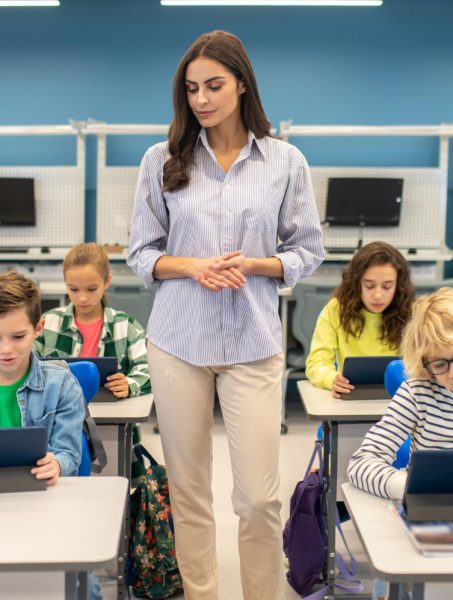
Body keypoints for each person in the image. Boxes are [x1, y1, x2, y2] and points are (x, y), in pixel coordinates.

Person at [127, 30, 324, 600]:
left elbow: (306, 249)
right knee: (189, 494)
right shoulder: (161, 159)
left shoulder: (285, 160)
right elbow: (142, 253)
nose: (202, 99)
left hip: (253, 341)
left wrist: (258, 264)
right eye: (191, 89)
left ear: (242, 84)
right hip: (177, 342)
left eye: (214, 85)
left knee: (258, 498)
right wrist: (191, 267)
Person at [0, 271, 103, 599]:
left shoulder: (61, 385)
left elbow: (69, 454)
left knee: (84, 587)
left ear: (38, 328)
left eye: (18, 337)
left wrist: (56, 464)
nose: (6, 349)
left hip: (42, 505)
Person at [348, 286, 453, 600]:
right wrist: (402, 484)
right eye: (441, 364)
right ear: (424, 361)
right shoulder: (417, 393)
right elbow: (361, 463)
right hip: (433, 518)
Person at [33, 242, 150, 399]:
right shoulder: (48, 323)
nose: (82, 298)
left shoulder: (127, 326)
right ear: (65, 284)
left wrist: (129, 384)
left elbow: (149, 369)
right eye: (73, 289)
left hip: (115, 418)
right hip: (58, 415)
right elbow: (25, 362)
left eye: (91, 289)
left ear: (107, 281)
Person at [306, 241, 415, 398]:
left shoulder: (411, 313)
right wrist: (331, 379)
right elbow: (316, 363)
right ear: (356, 283)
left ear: (398, 285)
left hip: (400, 400)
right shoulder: (336, 309)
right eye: (369, 286)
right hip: (350, 395)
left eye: (387, 286)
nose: (378, 295)